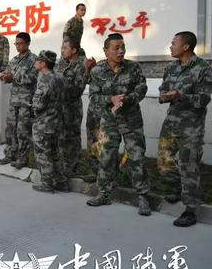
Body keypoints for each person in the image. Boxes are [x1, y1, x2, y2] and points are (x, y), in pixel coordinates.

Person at [86, 33, 151, 216]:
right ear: (106, 51)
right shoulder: (97, 71)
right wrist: (110, 99)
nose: (121, 51)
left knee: (137, 157)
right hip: (109, 121)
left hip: (131, 120)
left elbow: (142, 88)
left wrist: (128, 99)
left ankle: (143, 196)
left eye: (123, 47)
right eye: (116, 48)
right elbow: (94, 97)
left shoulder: (133, 67)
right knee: (106, 157)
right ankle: (104, 193)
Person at [158, 31, 212, 227]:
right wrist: (165, 96)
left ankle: (190, 209)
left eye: (174, 43)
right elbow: (163, 90)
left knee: (189, 166)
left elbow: (204, 98)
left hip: (191, 127)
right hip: (171, 122)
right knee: (164, 161)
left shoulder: (202, 68)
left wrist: (181, 96)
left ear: (186, 47)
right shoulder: (171, 67)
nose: (171, 46)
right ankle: (175, 188)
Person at [0, 32, 38, 169]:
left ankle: (23, 158)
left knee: (23, 131)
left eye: (20, 43)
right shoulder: (13, 60)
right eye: (16, 43)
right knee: (10, 129)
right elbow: (7, 72)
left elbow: (32, 78)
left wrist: (13, 77)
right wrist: (4, 76)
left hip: (26, 102)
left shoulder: (34, 60)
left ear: (27, 43)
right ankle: (10, 154)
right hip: (14, 100)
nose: (18, 46)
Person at [31, 51, 62, 193]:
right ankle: (61, 182)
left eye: (38, 59)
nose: (36, 61)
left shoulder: (45, 79)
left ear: (43, 63)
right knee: (55, 153)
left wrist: (34, 108)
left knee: (43, 153)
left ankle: (47, 183)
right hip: (56, 120)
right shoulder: (58, 77)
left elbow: (38, 105)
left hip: (44, 122)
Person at [56, 38, 87, 181]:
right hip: (59, 108)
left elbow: (77, 89)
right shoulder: (61, 65)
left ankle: (72, 168)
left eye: (65, 48)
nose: (62, 51)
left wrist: (61, 84)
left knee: (72, 139)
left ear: (74, 50)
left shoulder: (79, 67)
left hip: (72, 109)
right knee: (61, 138)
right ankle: (62, 169)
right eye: (62, 48)